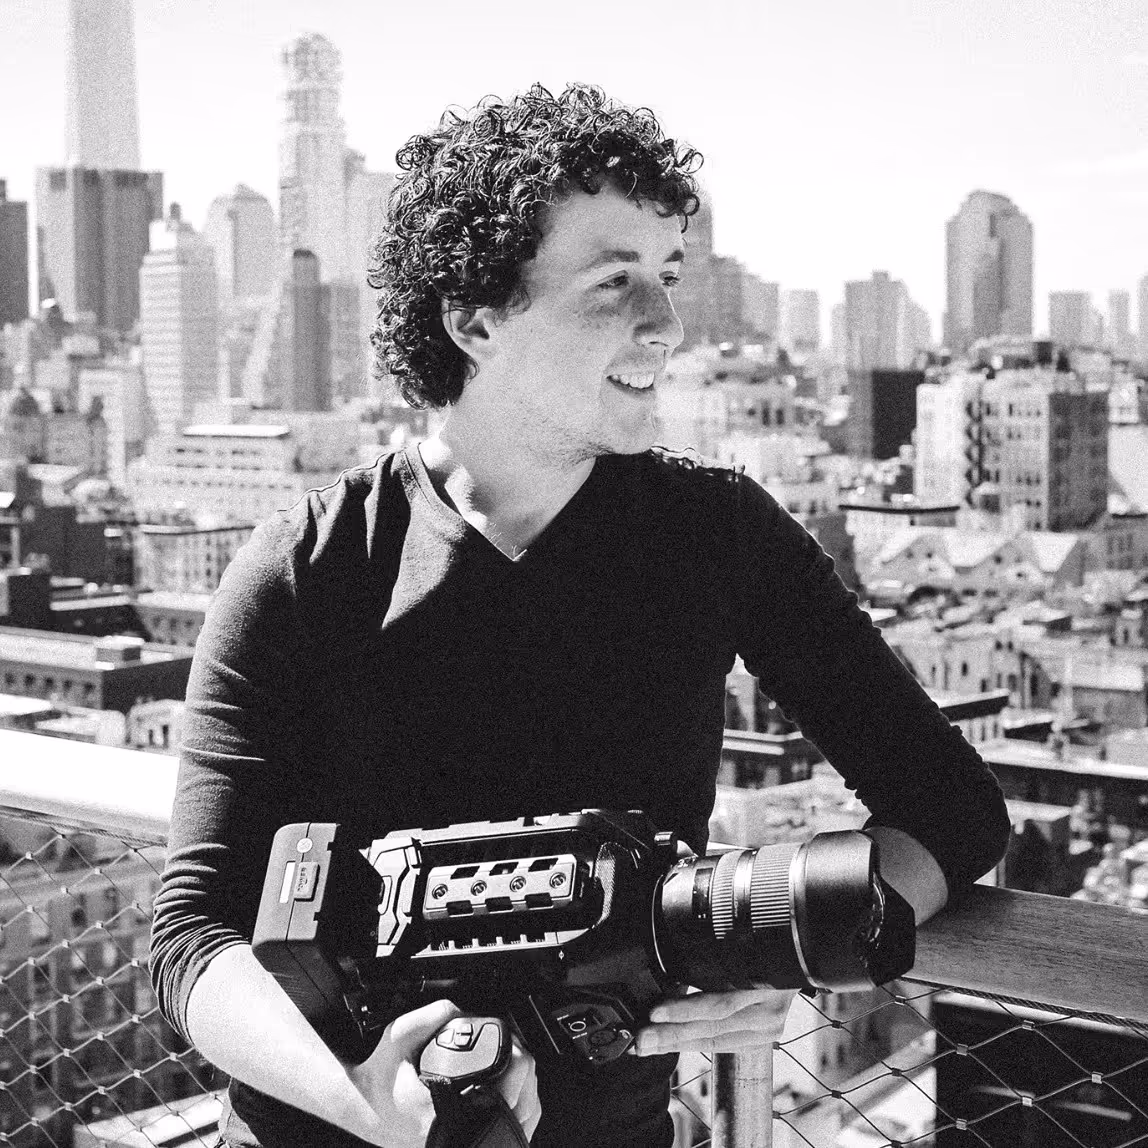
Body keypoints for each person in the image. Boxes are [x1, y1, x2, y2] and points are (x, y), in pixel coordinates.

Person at [150, 83, 1011, 1148]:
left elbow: (948, 806)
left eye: (666, 276)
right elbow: (193, 940)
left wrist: (790, 943)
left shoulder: (715, 532)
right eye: (613, 284)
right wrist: (365, 1102)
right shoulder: (306, 567)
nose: (664, 323)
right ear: (474, 320)